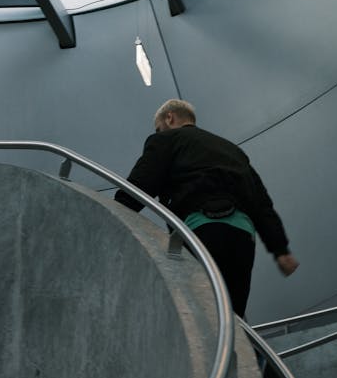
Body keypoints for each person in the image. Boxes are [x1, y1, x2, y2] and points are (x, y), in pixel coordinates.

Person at [114, 99, 299, 322]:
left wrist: (117, 212)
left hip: (201, 230)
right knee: (233, 316)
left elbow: (142, 183)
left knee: (202, 314)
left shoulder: (166, 140)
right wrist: (281, 250)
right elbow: (262, 205)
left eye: (158, 127)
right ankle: (248, 354)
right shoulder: (233, 151)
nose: (158, 132)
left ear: (170, 118)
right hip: (242, 237)